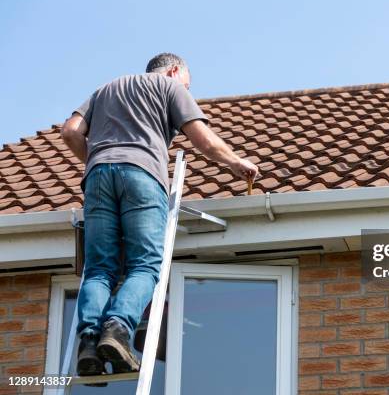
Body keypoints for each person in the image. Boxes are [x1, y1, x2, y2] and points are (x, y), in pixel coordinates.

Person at [61, 53, 259, 377]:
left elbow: (70, 132)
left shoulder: (105, 90)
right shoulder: (168, 86)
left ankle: (88, 342)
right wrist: (236, 162)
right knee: (144, 266)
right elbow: (202, 139)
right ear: (175, 70)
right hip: (142, 175)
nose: (188, 91)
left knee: (98, 269)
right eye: (189, 85)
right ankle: (118, 329)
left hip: (97, 177)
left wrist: (98, 160)